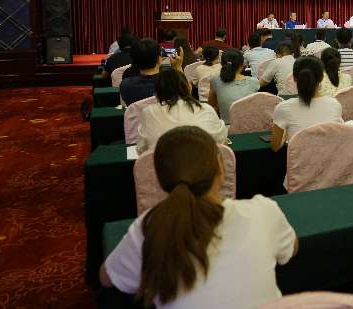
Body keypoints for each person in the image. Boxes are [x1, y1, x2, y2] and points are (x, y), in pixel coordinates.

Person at [100, 126, 297, 308]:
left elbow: (106, 277)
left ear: (160, 180)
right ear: (220, 167)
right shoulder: (264, 211)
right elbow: (291, 248)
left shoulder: (149, 227)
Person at [137, 69, 227, 154]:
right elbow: (222, 141)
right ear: (188, 88)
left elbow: (141, 150)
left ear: (157, 94)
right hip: (204, 164)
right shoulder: (206, 109)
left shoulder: (148, 113)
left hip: (164, 165)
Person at [270, 56, 344, 152]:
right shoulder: (334, 104)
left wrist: (286, 135)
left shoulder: (283, 108)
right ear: (322, 78)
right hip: (330, 159)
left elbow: (275, 147)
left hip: (298, 161)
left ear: (294, 78)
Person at [121, 39, 183, 106]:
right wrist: (178, 67)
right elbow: (185, 95)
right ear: (159, 59)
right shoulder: (171, 83)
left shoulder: (125, 85)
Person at [208, 50, 261, 124]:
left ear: (222, 64)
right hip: (250, 126)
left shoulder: (215, 80)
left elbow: (211, 105)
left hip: (226, 127)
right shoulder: (254, 82)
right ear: (242, 65)